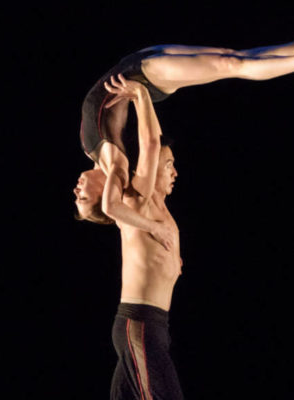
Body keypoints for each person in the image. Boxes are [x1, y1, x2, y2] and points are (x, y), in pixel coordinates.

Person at [74, 28, 294, 247]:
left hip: (134, 63)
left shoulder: (94, 153)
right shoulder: (116, 168)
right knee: (231, 65)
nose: (77, 191)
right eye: (84, 198)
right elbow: (114, 208)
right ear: (105, 192)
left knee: (232, 56)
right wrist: (153, 227)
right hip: (144, 75)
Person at [105, 76, 184, 399]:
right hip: (140, 323)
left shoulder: (165, 213)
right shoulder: (142, 197)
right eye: (169, 165)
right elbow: (150, 143)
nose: (174, 172)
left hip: (154, 327)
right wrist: (140, 96)